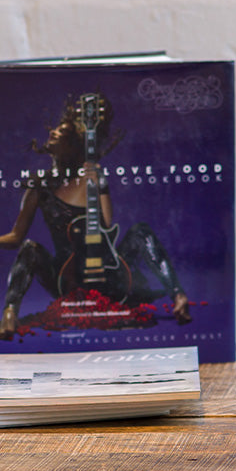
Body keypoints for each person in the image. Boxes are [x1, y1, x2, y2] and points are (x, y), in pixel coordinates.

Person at [0, 94, 190, 339]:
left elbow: (107, 225)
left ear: (75, 144)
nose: (53, 132)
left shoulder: (93, 178)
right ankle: (10, 312)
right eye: (55, 130)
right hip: (66, 280)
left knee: (141, 231)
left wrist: (100, 185)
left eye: (62, 132)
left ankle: (178, 296)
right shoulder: (38, 186)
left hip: (108, 272)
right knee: (29, 248)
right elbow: (16, 237)